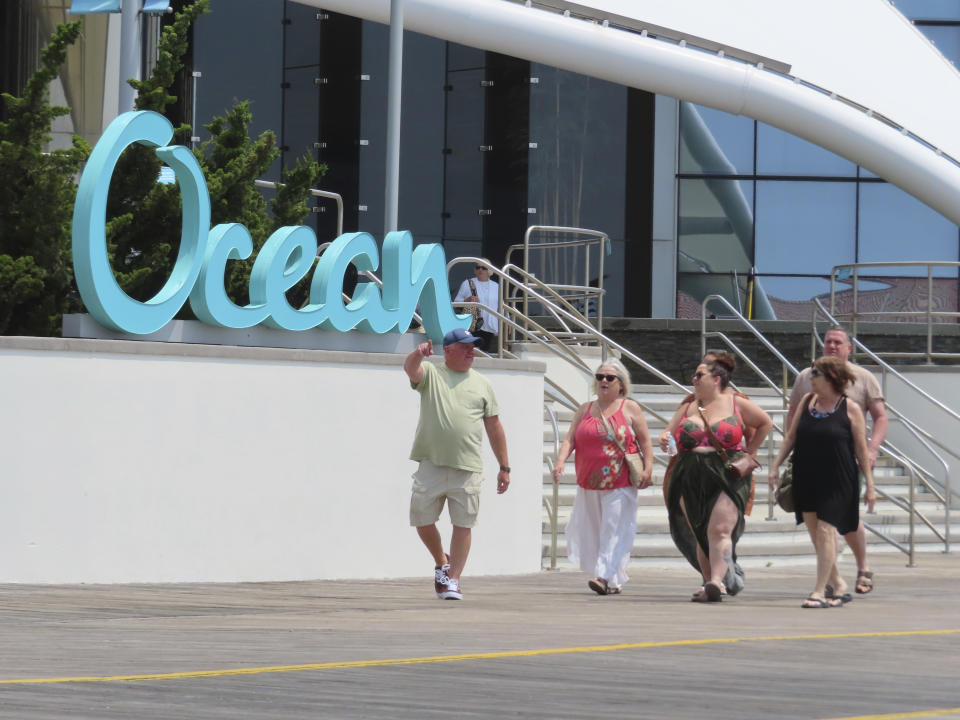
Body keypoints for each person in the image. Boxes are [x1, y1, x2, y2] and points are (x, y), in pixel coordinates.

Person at [403, 327, 511, 600]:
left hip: (468, 466)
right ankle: (442, 560)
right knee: (422, 519)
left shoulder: (483, 384)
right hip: (432, 463)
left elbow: (494, 427)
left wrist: (504, 466)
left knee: (463, 525)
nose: (470, 351)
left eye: (472, 346)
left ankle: (453, 580)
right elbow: (410, 370)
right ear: (447, 351)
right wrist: (417, 355)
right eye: (464, 347)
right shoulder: (432, 374)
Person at [660, 353, 772, 602]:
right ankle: (709, 582)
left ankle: (717, 581)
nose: (694, 379)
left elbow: (765, 423)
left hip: (726, 472)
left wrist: (750, 452)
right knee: (701, 531)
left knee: (719, 530)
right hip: (689, 473)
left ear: (717, 378)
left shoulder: (737, 403)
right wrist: (666, 441)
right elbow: (667, 434)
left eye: (700, 375)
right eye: (694, 375)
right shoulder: (689, 405)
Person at [786, 325, 887, 595]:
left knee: (845, 520)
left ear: (848, 348)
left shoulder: (863, 378)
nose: (831, 346)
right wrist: (792, 446)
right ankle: (833, 579)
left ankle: (862, 566)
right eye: (828, 341)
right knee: (819, 523)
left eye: (837, 342)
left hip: (844, 459)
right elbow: (794, 412)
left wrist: (872, 448)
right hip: (811, 460)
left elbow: (880, 416)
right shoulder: (807, 377)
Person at [771, 356, 876, 608]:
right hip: (807, 475)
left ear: (831, 378)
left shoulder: (849, 408)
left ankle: (819, 591)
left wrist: (870, 486)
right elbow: (791, 437)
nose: (810, 377)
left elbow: (861, 450)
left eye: (815, 373)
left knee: (826, 529)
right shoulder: (808, 401)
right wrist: (775, 466)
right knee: (814, 531)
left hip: (838, 477)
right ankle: (838, 583)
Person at [552, 359, 654, 595]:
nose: (604, 381)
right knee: (594, 529)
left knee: (613, 527)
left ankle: (603, 576)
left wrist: (648, 468)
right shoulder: (585, 409)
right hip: (589, 480)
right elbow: (570, 439)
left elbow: (645, 441)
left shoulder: (630, 408)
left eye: (610, 378)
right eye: (600, 377)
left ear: (622, 384)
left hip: (620, 479)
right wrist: (560, 462)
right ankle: (613, 578)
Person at [453, 261, 499, 352]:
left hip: (490, 325)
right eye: (478, 268)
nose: (480, 270)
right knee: (474, 351)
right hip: (474, 324)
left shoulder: (496, 286)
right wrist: (467, 300)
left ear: (489, 270)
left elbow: (501, 305)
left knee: (486, 353)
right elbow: (456, 302)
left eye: (484, 268)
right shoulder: (467, 283)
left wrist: (508, 319)